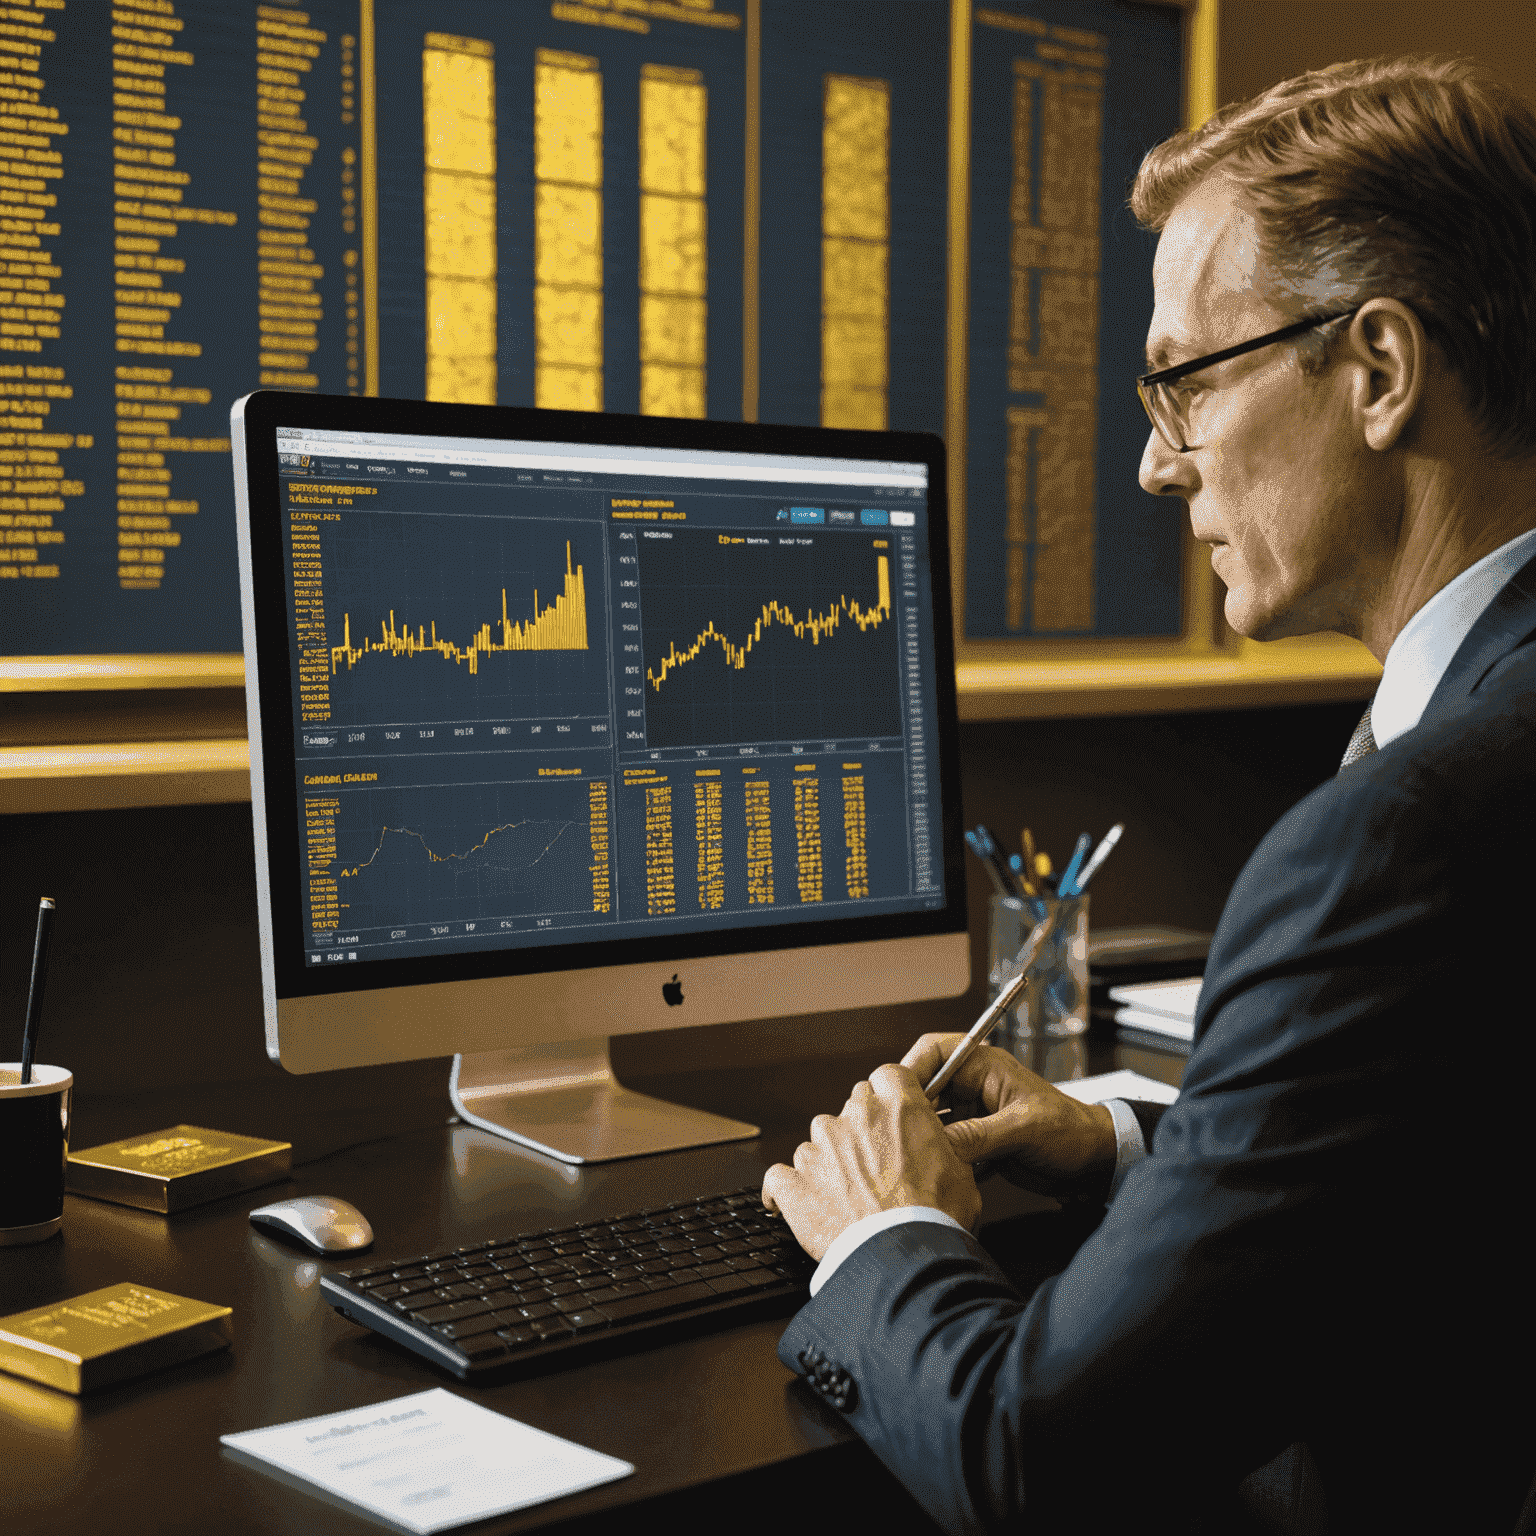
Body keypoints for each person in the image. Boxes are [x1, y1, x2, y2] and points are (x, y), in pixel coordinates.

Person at [763, 55, 1536, 1534]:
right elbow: (1466, 1175)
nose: (1150, 463)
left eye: (1183, 380)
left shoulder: (1400, 835)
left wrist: (884, 1229)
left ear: (1377, 371)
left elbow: (1034, 1459)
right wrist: (1133, 1147)